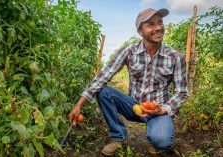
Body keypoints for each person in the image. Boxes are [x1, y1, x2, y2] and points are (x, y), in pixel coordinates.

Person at [68, 8, 189, 156]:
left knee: (162, 141)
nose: (158, 27)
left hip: (158, 110)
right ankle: (119, 137)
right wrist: (79, 104)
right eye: (150, 25)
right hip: (133, 106)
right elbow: (104, 75)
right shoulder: (130, 51)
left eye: (160, 22)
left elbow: (181, 92)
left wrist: (163, 109)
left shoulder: (176, 57)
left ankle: (157, 138)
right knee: (104, 91)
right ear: (140, 31)